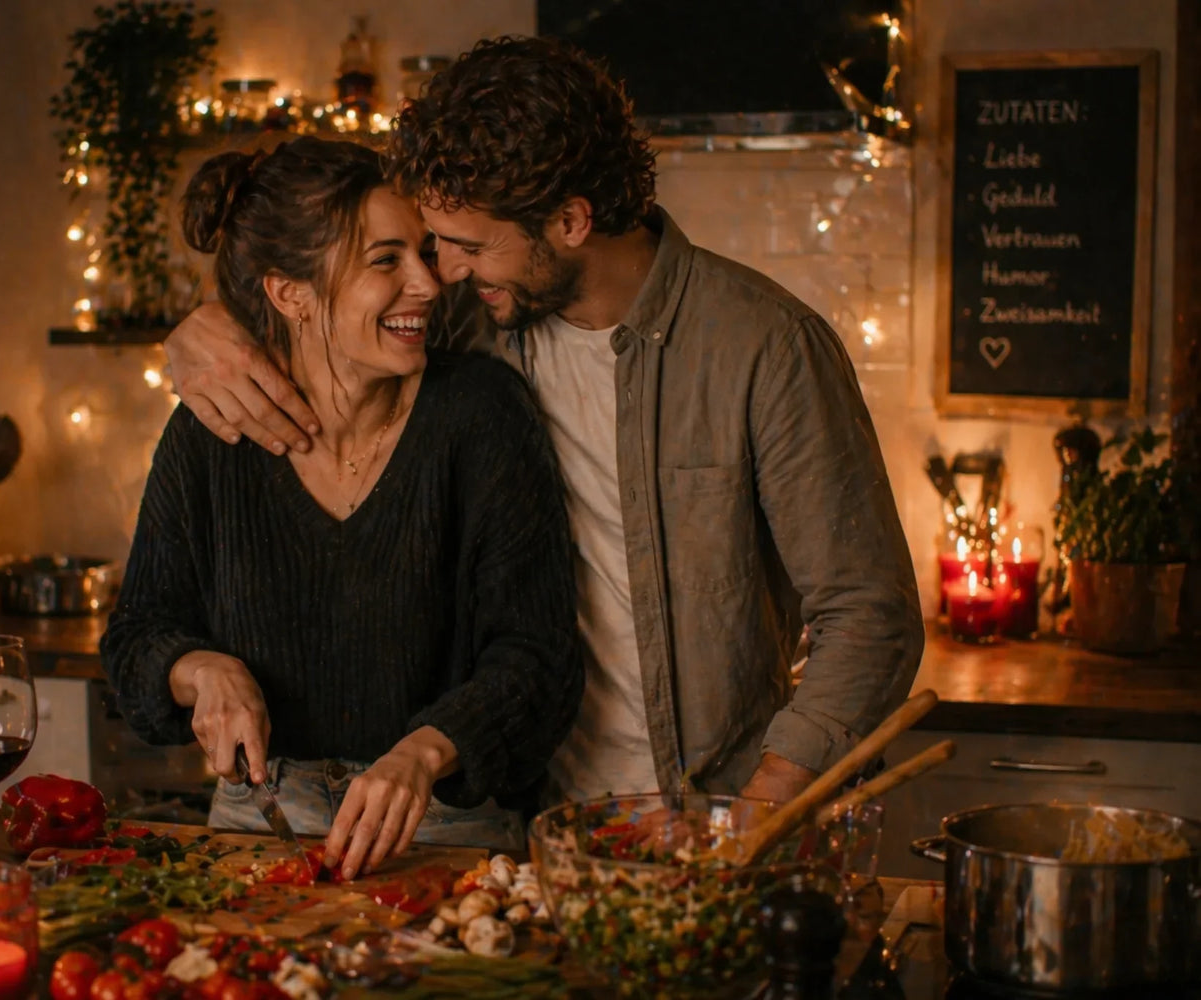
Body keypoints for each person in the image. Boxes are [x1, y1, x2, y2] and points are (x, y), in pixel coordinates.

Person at [162, 37, 924, 806]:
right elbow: (324, 293)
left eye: (466, 247)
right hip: (529, 818)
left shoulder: (762, 345)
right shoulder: (472, 325)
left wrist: (763, 808)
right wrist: (201, 330)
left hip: (710, 807)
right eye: (435, 246)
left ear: (569, 220)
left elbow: (869, 616)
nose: (444, 275)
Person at [101, 136, 582, 880]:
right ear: (290, 293)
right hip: (260, 822)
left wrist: (422, 754)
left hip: (444, 818)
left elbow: (538, 660)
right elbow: (135, 638)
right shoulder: (211, 433)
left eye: (423, 253)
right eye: (386, 260)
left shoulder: (481, 414)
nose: (428, 283)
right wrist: (201, 670)